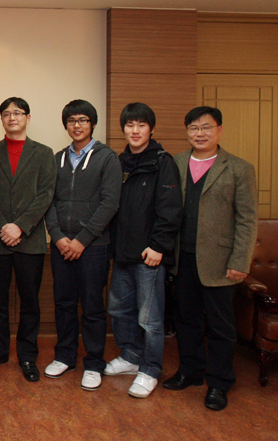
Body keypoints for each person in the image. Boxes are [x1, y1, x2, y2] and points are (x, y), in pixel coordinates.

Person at [162, 106, 257, 411]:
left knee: (220, 326)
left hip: (219, 261)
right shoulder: (176, 163)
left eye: (206, 127)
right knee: (185, 319)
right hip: (182, 258)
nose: (199, 133)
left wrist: (240, 261)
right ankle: (190, 370)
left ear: (219, 130)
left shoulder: (239, 168)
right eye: (193, 128)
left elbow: (247, 220)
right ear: (187, 132)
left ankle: (219, 382)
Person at [104, 103, 182, 398]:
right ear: (123, 129)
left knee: (149, 318)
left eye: (141, 125)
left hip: (149, 255)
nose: (135, 131)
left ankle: (150, 369)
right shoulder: (119, 162)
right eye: (130, 125)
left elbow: (171, 210)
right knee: (119, 310)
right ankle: (131, 356)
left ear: (151, 128)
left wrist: (159, 246)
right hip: (122, 252)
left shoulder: (162, 162)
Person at [0, 97, 56, 382]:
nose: (12, 117)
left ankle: (27, 355)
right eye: (7, 113)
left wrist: (20, 226)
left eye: (18, 113)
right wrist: (4, 227)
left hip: (30, 241)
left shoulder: (44, 153)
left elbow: (46, 194)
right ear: (1, 119)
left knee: (30, 302)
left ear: (27, 118)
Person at [44, 99, 121, 391]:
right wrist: (57, 236)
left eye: (83, 120)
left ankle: (94, 363)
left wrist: (82, 240)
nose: (77, 125)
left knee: (92, 306)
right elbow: (49, 200)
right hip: (61, 245)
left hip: (94, 247)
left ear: (93, 124)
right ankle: (65, 356)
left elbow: (109, 204)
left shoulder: (107, 158)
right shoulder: (58, 159)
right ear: (66, 125)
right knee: (63, 303)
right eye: (72, 120)